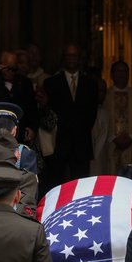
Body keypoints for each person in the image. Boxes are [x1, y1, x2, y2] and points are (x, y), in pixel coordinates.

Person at [42, 43, 99, 187]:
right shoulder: (51, 83)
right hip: (59, 144)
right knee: (56, 184)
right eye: (68, 55)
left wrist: (80, 130)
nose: (71, 58)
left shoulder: (91, 84)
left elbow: (92, 114)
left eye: (75, 55)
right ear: (63, 58)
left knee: (81, 186)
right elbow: (49, 113)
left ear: (80, 58)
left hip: (82, 143)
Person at [95, 60, 132, 174]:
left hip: (131, 146)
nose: (121, 74)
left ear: (128, 74)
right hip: (111, 147)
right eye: (118, 71)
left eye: (124, 71)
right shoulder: (105, 96)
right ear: (111, 74)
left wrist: (131, 137)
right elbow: (100, 121)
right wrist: (113, 137)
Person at [0, 50, 39, 143]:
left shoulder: (25, 83)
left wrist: (32, 129)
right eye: (8, 68)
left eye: (14, 69)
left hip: (22, 135)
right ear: (0, 66)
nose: (11, 72)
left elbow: (33, 110)